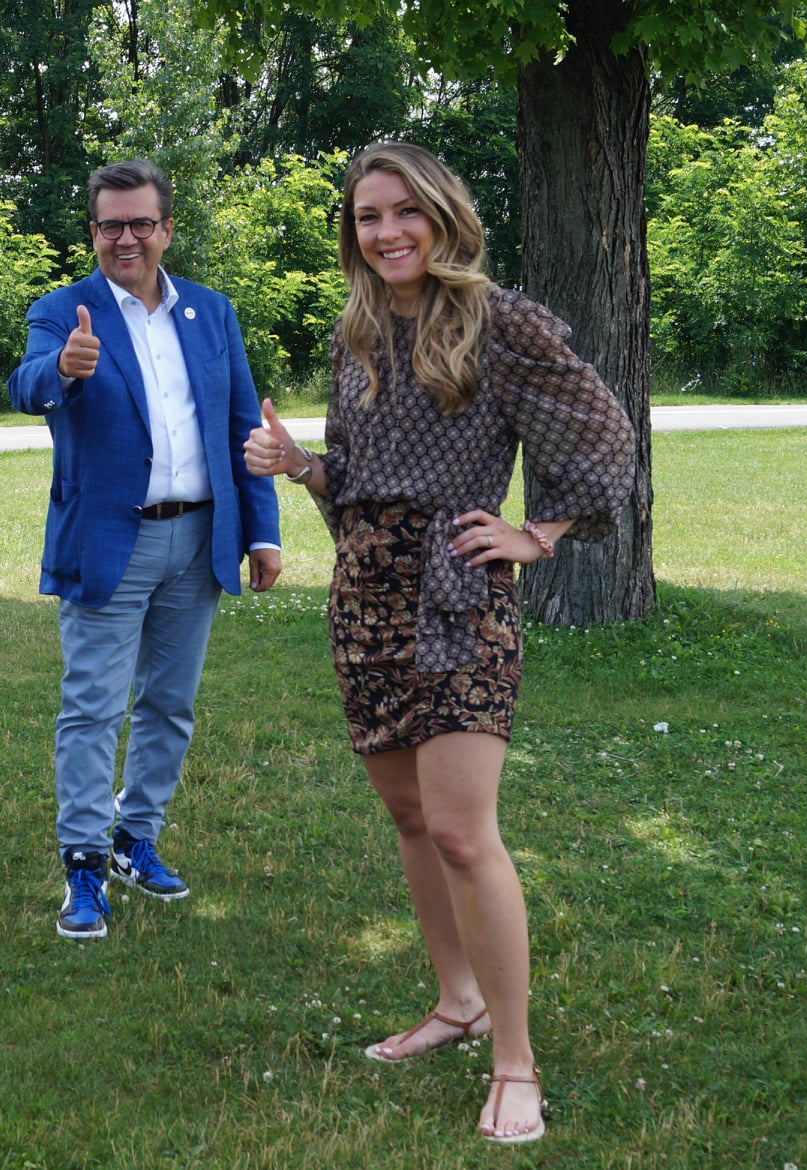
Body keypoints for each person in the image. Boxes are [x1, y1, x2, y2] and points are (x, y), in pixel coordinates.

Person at [244, 143, 634, 1144]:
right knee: (412, 823)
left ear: (441, 217)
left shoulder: (502, 326)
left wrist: (537, 533)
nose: (384, 232)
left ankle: (514, 1061)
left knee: (463, 831)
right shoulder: (356, 331)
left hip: (459, 599)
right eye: (366, 216)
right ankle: (453, 1001)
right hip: (364, 598)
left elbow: (603, 441)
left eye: (401, 212)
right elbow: (364, 477)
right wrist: (301, 467)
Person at [7, 159, 282, 941]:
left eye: (139, 224)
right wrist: (62, 369)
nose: (124, 238)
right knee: (91, 709)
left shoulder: (210, 313)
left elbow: (242, 427)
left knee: (169, 704)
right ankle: (85, 866)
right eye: (108, 225)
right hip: (108, 541)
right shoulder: (65, 310)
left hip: (199, 539)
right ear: (90, 232)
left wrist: (259, 531)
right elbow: (25, 383)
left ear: (165, 229)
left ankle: (136, 839)